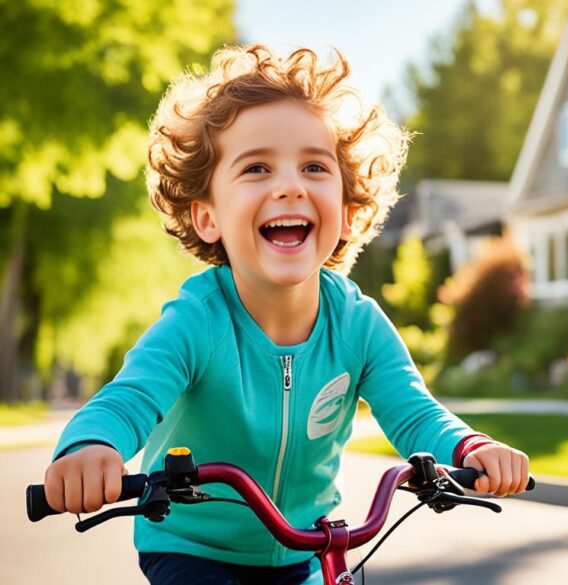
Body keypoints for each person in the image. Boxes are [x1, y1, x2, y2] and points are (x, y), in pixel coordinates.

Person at [43, 44, 530, 584]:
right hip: (192, 549)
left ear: (346, 212)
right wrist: (91, 447)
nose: (290, 185)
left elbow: (414, 413)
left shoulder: (358, 325)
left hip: (307, 548)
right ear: (208, 217)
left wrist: (471, 447)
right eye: (256, 167)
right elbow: (130, 397)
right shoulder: (197, 321)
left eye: (315, 166)